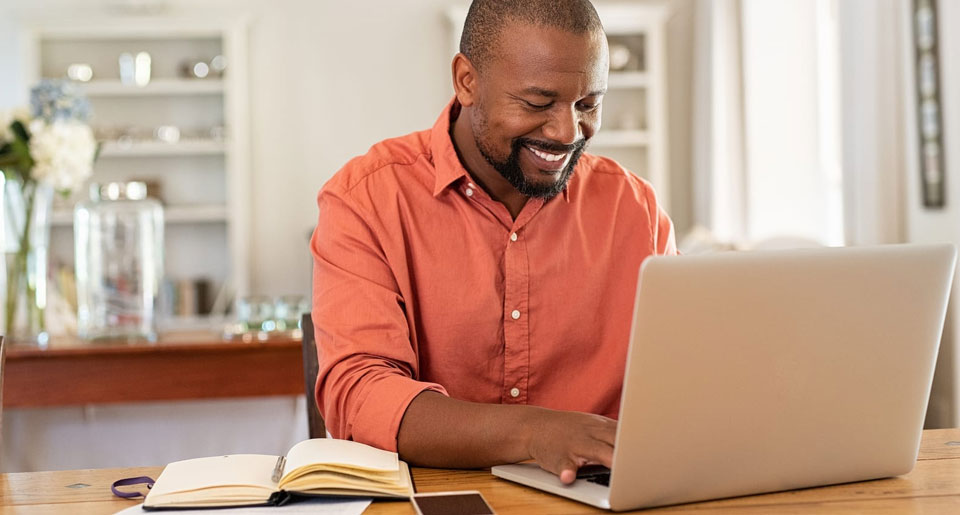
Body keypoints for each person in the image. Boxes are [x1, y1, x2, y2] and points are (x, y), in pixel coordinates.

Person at [310, 0, 677, 485]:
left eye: (588, 104)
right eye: (537, 103)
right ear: (466, 81)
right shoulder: (366, 199)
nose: (567, 132)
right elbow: (361, 397)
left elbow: (679, 380)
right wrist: (534, 433)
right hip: (435, 502)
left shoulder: (635, 209)